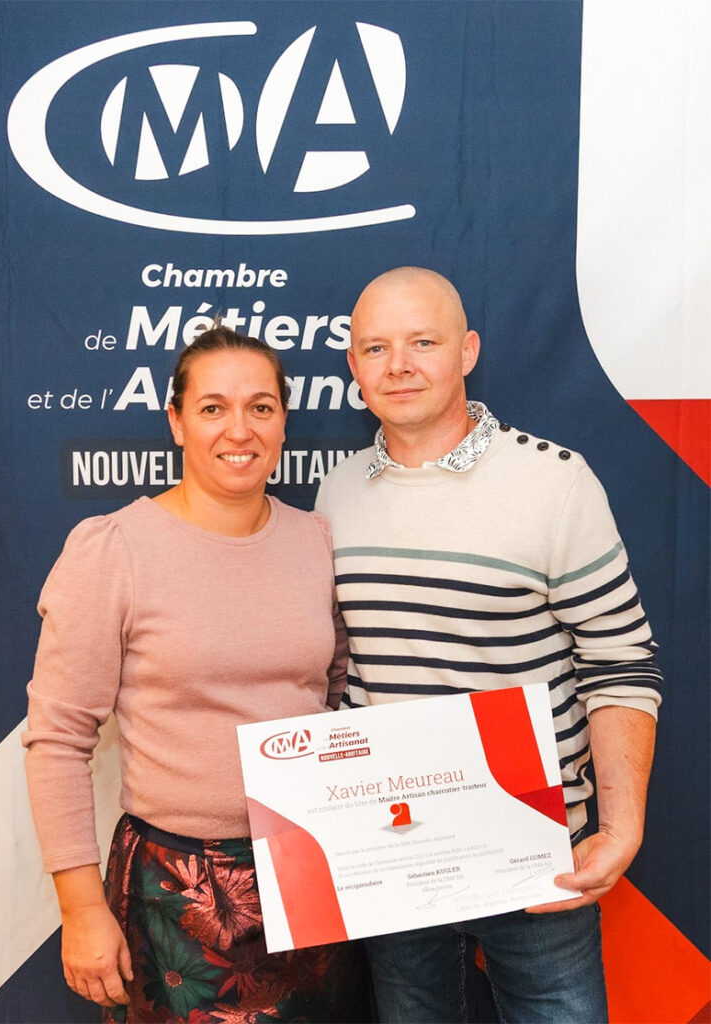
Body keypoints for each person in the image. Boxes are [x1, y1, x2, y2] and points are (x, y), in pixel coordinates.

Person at [315, 267, 662, 1023]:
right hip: (391, 851)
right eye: (375, 347)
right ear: (353, 366)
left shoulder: (554, 483)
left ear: (467, 351)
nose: (398, 365)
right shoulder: (335, 494)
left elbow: (619, 661)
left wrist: (620, 826)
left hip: (538, 852)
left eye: (423, 342)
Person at [23, 326, 359, 1023]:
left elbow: (333, 693)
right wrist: (80, 907)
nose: (239, 428)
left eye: (260, 407)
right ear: (175, 421)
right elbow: (56, 739)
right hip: (173, 889)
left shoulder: (318, 541)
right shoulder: (113, 550)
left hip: (309, 873)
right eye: (212, 408)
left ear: (283, 422)